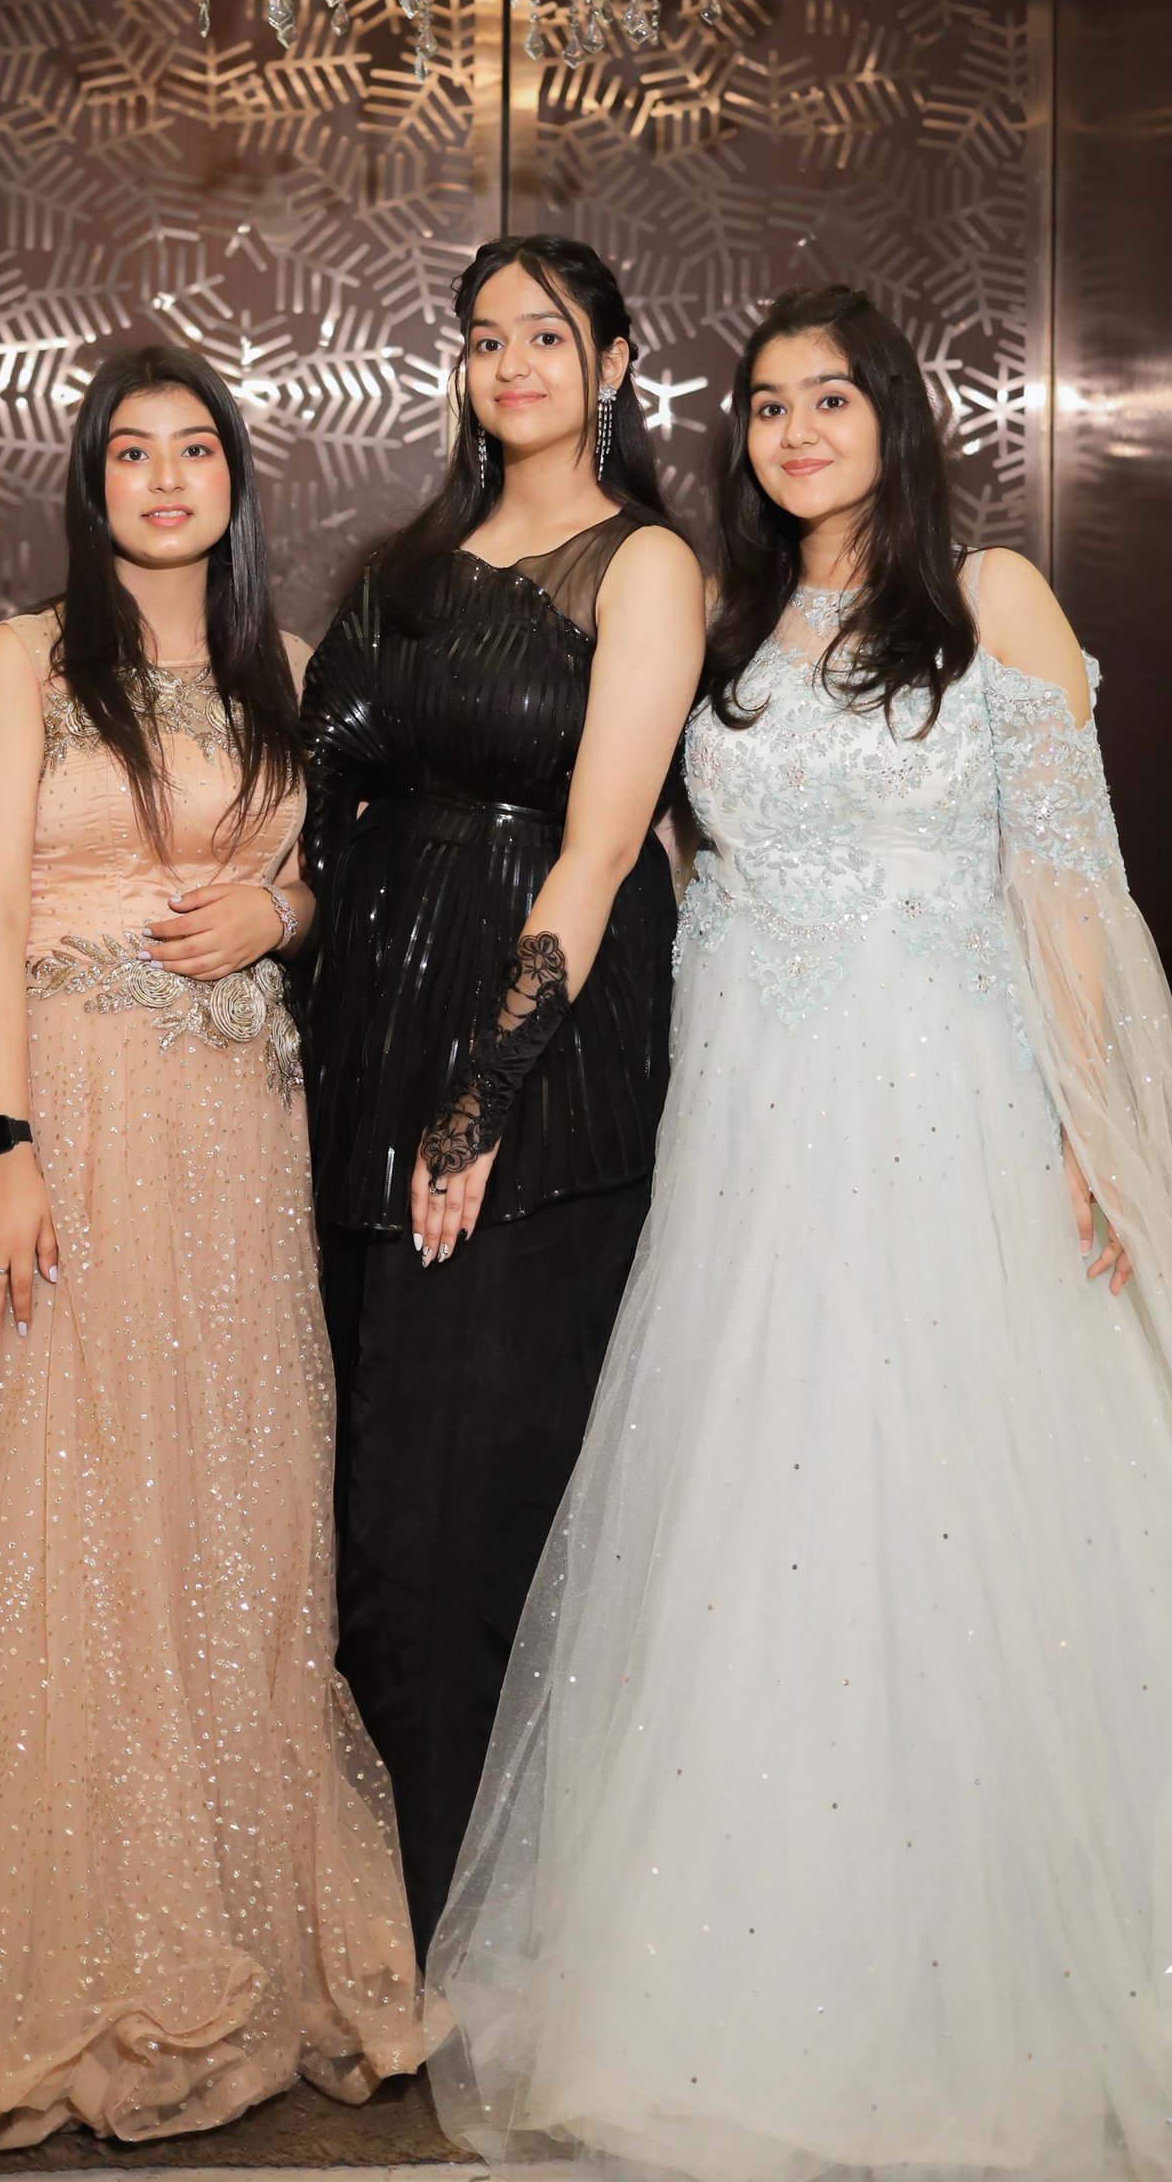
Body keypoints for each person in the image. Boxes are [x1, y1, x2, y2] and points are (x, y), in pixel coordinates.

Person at [428, 282, 1172, 2182]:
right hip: (755, 1136)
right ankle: (754, 1971)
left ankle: (981, 1977)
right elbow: (662, 859)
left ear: (895, 419)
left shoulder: (991, 601)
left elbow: (1063, 884)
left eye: (832, 399)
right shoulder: (721, 623)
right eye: (767, 405)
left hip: (952, 1116)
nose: (798, 431)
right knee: (760, 1519)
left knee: (960, 1510)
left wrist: (1087, 1131)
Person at [0, 343, 424, 2148]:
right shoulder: (27, 663)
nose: (167, 478)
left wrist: (278, 910)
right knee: (50, 1512)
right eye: (132, 451)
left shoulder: (286, 672)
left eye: (196, 449)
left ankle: (219, 1915)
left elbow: (326, 878)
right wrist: (1, 1148)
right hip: (68, 1115)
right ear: (91, 481)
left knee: (215, 1517)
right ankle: (44, 1935)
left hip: (233, 1143)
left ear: (236, 482)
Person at [301, 235, 705, 1958]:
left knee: (467, 1509)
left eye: (548, 336)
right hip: (359, 1049)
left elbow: (602, 850)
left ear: (612, 365)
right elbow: (310, 794)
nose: (513, 363)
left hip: (537, 1069)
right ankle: (361, 1916)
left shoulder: (647, 564)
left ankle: (458, 1936)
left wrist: (481, 1101)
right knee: (361, 1489)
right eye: (484, 339)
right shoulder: (403, 565)